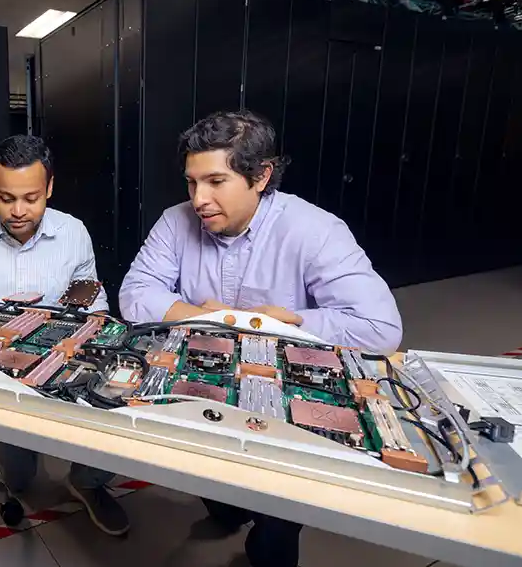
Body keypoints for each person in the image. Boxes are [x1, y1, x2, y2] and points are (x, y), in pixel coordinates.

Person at [119, 110, 402, 567]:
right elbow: (135, 295)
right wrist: (218, 319)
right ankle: (228, 509)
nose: (199, 199)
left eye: (215, 181)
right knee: (213, 479)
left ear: (261, 176)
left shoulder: (315, 231)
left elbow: (380, 328)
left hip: (288, 395)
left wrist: (286, 325)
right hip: (200, 386)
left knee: (278, 515)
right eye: (192, 183)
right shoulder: (174, 223)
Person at [0, 134, 130, 537]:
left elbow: (92, 295)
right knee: (20, 478)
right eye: (5, 198)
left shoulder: (73, 233)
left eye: (32, 198)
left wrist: (90, 332)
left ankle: (86, 481)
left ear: (49, 188)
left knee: (118, 420)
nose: (18, 211)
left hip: (63, 356)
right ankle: (21, 468)